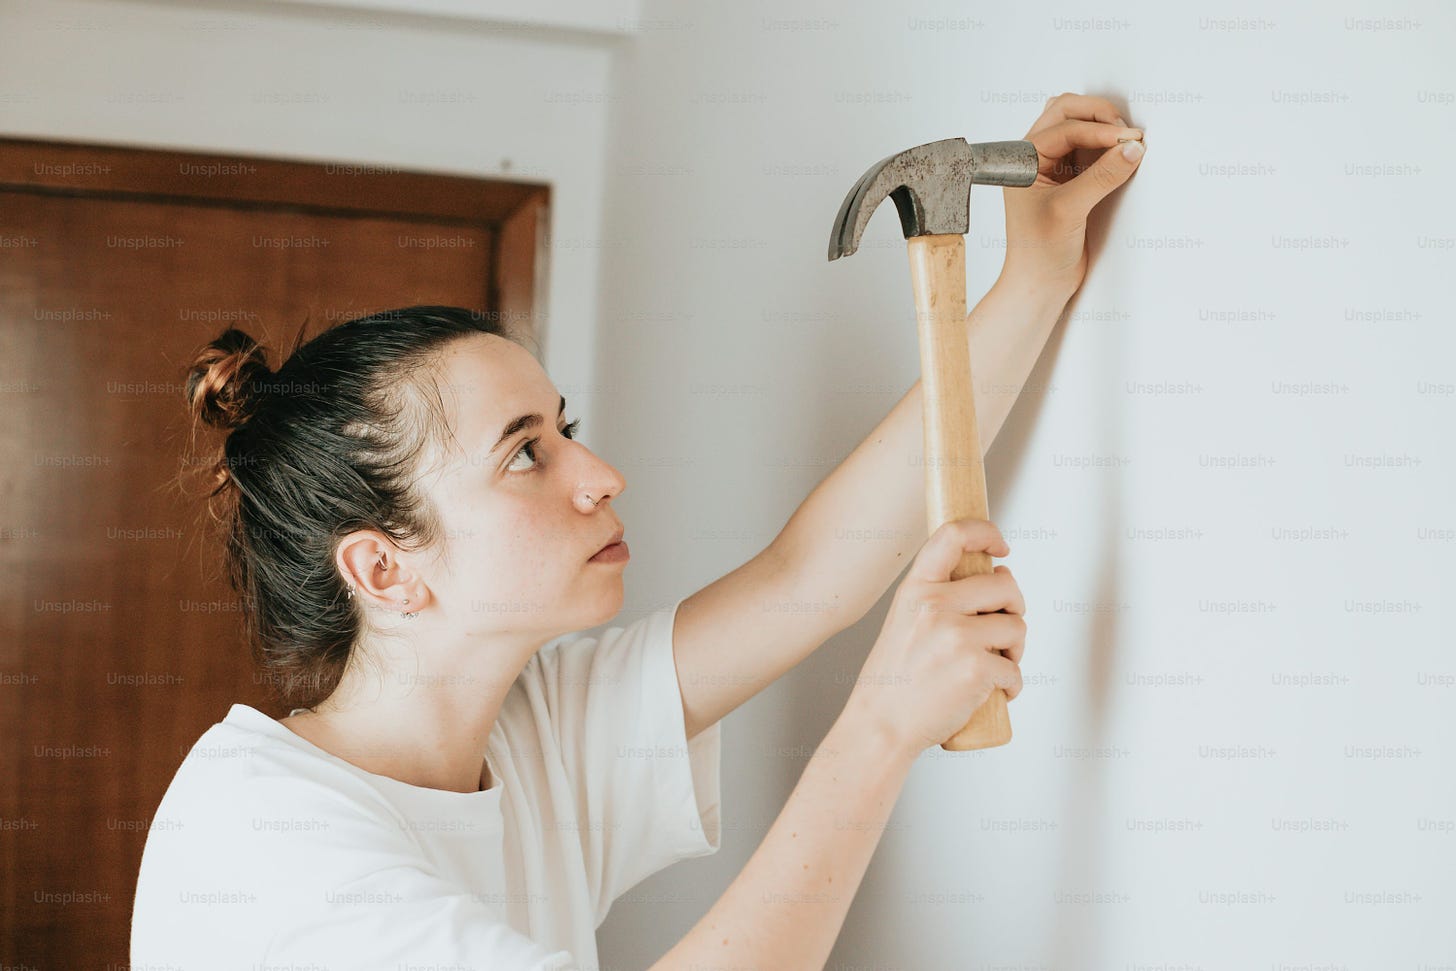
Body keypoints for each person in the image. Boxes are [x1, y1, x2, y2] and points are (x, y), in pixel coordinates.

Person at [130, 92, 1142, 970]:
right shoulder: (263, 843)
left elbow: (810, 574)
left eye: (564, 428)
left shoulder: (527, 730)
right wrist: (878, 727)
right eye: (526, 451)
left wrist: (1037, 276)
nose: (601, 475)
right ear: (384, 569)